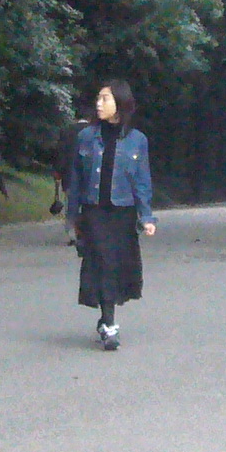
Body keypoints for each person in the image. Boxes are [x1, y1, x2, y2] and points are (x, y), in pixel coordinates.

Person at [66, 80, 155, 349]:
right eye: (98, 98)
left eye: (105, 99)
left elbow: (142, 181)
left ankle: (107, 316)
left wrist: (146, 216)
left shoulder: (137, 140)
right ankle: (108, 322)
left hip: (123, 212)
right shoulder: (86, 137)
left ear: (120, 102)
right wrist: (72, 215)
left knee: (116, 265)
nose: (99, 103)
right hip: (94, 211)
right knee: (102, 261)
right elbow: (76, 177)